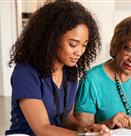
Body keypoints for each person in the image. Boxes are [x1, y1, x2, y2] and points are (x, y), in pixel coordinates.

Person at [5, 1, 110, 136]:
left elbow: (66, 119)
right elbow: (42, 129)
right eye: (73, 44)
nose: (79, 52)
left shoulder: (71, 71)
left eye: (84, 45)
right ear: (52, 39)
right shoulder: (25, 72)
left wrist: (89, 129)